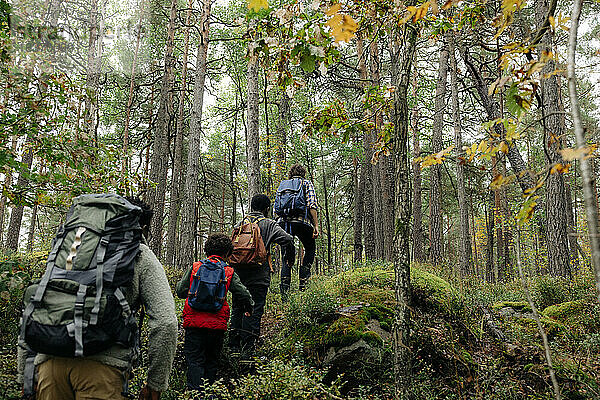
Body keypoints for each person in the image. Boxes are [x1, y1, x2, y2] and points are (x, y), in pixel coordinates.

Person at [18, 196, 178, 400]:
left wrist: (25, 374)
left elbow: (35, 306)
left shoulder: (66, 249)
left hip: (49, 365)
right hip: (102, 370)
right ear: (142, 226)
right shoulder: (140, 253)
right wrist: (155, 383)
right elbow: (166, 322)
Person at [176, 233, 254, 391]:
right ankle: (208, 391)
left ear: (206, 251)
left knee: (194, 360)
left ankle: (195, 393)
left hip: (193, 324)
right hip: (216, 326)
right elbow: (243, 293)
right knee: (211, 361)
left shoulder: (196, 267)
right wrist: (249, 307)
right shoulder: (228, 271)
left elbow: (180, 291)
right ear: (227, 254)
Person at [229, 193, 293, 357]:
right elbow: (287, 239)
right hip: (259, 275)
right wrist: (288, 256)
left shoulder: (239, 224)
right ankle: (248, 353)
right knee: (254, 309)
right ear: (266, 209)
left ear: (251, 206)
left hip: (237, 275)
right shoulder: (269, 224)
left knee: (238, 308)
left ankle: (233, 349)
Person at [276, 164, 320, 297]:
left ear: (290, 174)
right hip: (302, 222)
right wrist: (316, 225)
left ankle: (284, 293)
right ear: (303, 173)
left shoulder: (282, 185)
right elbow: (312, 204)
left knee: (286, 256)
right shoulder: (306, 183)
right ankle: (303, 281)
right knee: (310, 248)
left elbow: (276, 208)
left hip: (284, 223)